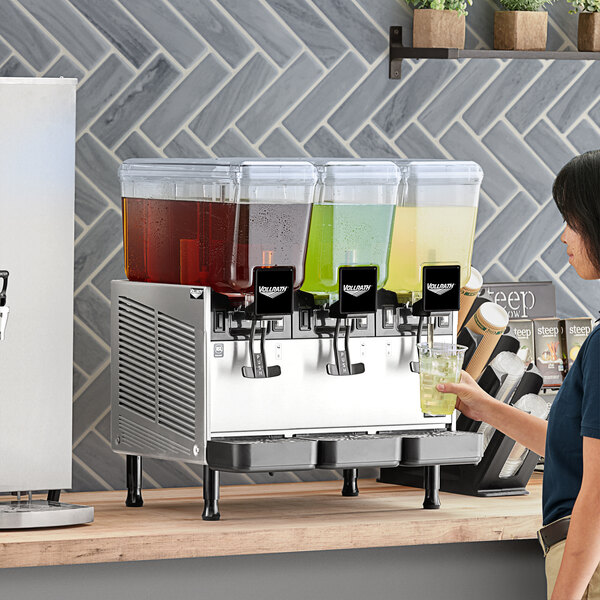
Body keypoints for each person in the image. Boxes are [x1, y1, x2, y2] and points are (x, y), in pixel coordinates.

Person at [438, 150, 600, 600]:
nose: (565, 236)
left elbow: (598, 495)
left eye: (573, 220)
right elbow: (573, 450)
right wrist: (486, 408)